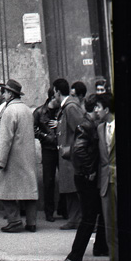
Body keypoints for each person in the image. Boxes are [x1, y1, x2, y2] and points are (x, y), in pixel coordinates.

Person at [65, 94, 107, 261]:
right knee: (89, 217)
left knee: (97, 212)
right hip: (85, 177)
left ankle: (100, 247)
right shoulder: (86, 125)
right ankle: (74, 257)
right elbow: (79, 150)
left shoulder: (88, 124)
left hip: (85, 176)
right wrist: (89, 170)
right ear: (94, 108)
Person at [0, 79, 38, 233]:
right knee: (29, 190)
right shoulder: (26, 109)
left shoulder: (9, 111)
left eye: (5, 92)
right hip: (28, 156)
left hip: (13, 158)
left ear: (10, 94)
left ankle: (14, 221)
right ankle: (32, 223)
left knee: (6, 191)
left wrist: (0, 160)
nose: (4, 94)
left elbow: (5, 139)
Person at [53, 78, 83, 230]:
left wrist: (73, 149)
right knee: (70, 188)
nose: (54, 96)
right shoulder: (67, 107)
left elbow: (81, 129)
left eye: (54, 93)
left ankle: (78, 219)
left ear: (58, 92)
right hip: (68, 155)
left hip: (71, 155)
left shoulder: (70, 108)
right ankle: (74, 219)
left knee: (74, 188)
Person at [96, 93, 118, 261]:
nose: (96, 110)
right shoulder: (99, 128)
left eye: (98, 107)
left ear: (107, 109)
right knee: (110, 226)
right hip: (105, 182)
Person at [33, 89, 60, 221]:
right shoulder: (39, 112)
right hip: (48, 149)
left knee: (65, 179)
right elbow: (32, 129)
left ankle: (63, 209)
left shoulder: (62, 110)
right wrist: (44, 136)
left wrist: (59, 124)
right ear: (52, 97)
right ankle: (49, 212)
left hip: (61, 148)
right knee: (48, 181)